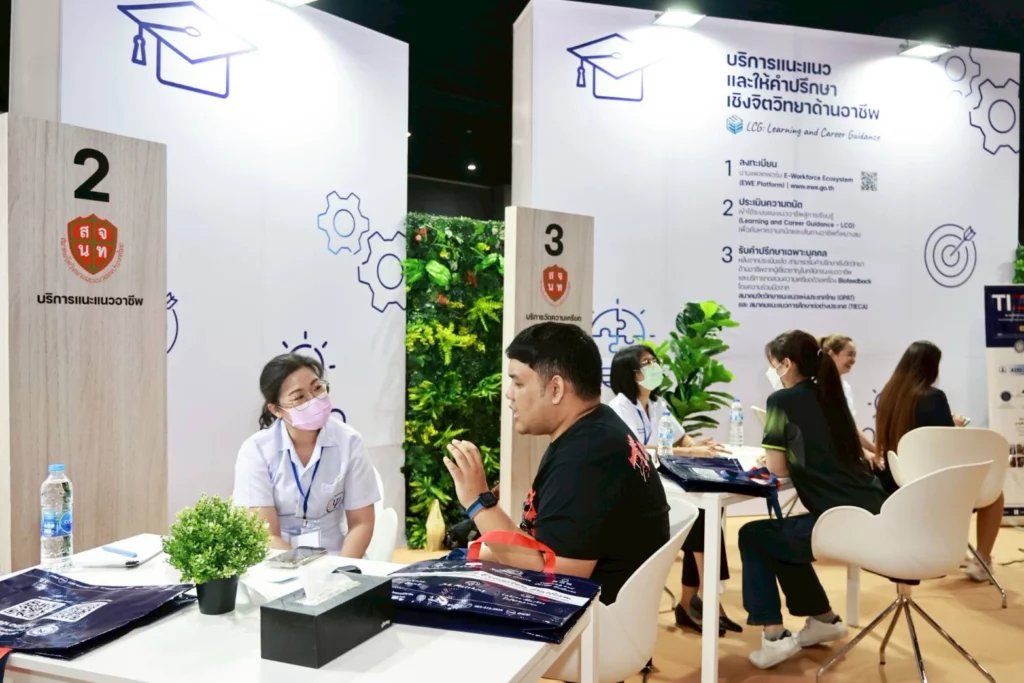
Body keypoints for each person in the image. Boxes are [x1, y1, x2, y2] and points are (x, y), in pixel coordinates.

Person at [443, 322, 670, 605]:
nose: (509, 393)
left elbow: (554, 579)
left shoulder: (588, 457)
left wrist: (479, 501)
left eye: (518, 383)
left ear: (556, 388)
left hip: (577, 620)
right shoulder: (596, 429)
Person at [741, 330, 888, 669]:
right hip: (872, 510)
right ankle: (823, 619)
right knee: (779, 537)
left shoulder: (781, 401)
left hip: (842, 521)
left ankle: (774, 637)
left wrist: (775, 456)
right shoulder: (830, 395)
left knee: (753, 536)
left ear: (787, 364)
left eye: (774, 365)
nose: (772, 371)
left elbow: (777, 469)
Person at [606, 345, 741, 635]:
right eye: (647, 362)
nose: (655, 366)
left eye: (654, 360)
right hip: (634, 495)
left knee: (706, 516)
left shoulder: (657, 404)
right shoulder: (619, 407)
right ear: (631, 373)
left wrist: (699, 448)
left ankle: (696, 600)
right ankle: (705, 600)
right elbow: (638, 448)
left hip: (664, 485)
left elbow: (680, 438)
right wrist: (689, 451)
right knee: (701, 519)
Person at [233, 353, 379, 557]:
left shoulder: (349, 441)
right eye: (299, 397)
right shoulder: (256, 451)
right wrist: (302, 570)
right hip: (278, 561)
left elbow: (361, 523)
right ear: (276, 410)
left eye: (317, 388)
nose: (313, 400)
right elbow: (266, 535)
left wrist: (340, 570)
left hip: (337, 558)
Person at [874, 341, 994, 580]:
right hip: (931, 484)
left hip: (895, 482)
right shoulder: (934, 397)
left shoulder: (887, 396)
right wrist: (956, 425)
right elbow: (947, 445)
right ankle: (982, 561)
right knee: (994, 496)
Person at [819, 334, 878, 458]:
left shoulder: (845, 387)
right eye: (850, 354)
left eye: (855, 355)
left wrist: (875, 451)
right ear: (832, 354)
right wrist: (864, 452)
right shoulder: (816, 386)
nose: (853, 360)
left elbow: (850, 427)